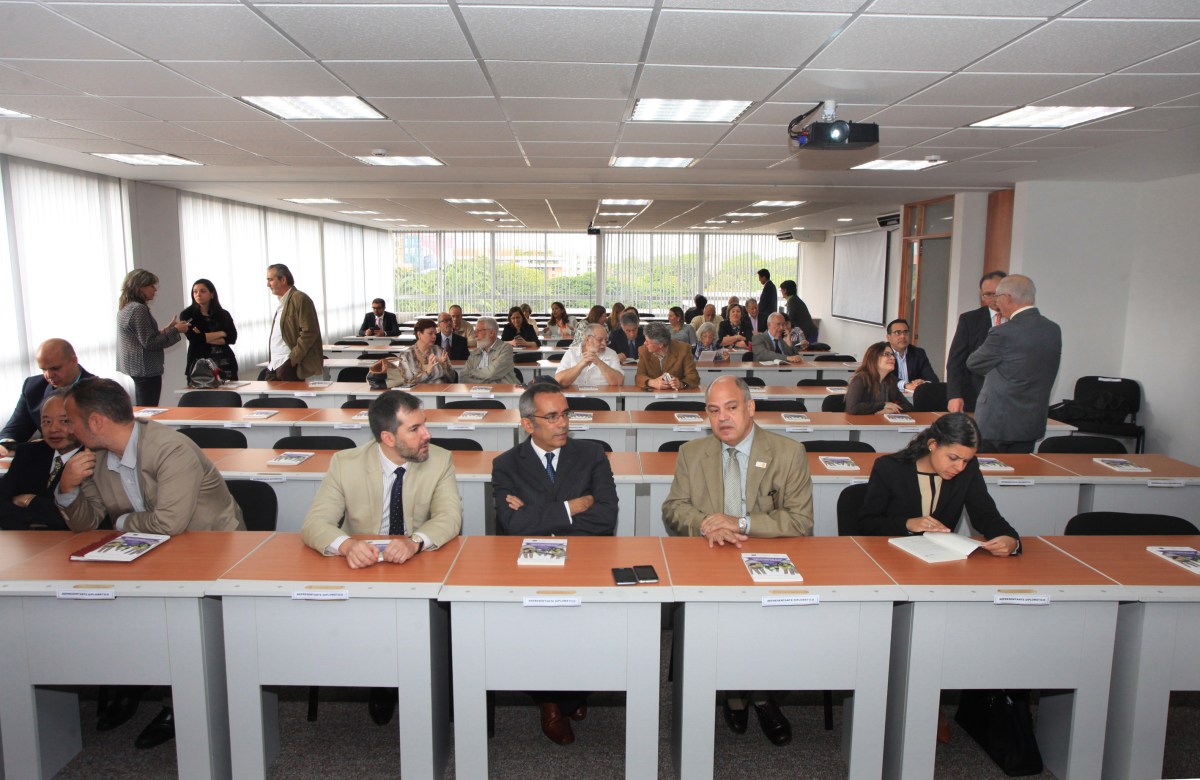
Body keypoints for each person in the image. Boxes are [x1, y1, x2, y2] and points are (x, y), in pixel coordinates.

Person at [56, 377, 245, 749]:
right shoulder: (95, 457)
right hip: (147, 553)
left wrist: (121, 522)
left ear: (95, 422)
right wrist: (67, 488)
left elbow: (170, 523)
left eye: (70, 420)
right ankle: (134, 678)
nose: (67, 429)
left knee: (178, 622)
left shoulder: (169, 448)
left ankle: (178, 701)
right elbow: (86, 523)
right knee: (110, 607)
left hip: (210, 551)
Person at [661, 375, 813, 746]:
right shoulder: (692, 452)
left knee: (761, 624)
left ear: (750, 407)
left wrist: (741, 523)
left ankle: (760, 696)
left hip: (767, 557)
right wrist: (706, 523)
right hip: (711, 556)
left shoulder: (788, 452)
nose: (722, 418)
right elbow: (673, 509)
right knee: (717, 619)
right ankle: (734, 696)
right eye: (714, 411)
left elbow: (800, 522)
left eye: (731, 408)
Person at [300, 389, 462, 726]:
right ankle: (383, 680)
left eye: (425, 424)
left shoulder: (440, 459)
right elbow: (315, 524)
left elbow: (449, 518)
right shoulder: (345, 464)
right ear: (388, 438)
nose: (427, 435)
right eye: (415, 429)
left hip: (419, 565)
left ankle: (430, 679)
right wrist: (346, 545)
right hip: (366, 570)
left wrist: (415, 542)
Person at [491, 383, 617, 744]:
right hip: (530, 561)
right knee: (536, 627)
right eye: (552, 417)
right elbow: (511, 525)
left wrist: (536, 515)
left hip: (585, 557)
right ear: (528, 424)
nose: (563, 423)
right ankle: (550, 701)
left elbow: (606, 517)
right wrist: (571, 507)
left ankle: (573, 694)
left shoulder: (592, 455)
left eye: (565, 414)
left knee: (591, 627)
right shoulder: (506, 464)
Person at [857, 412, 1020, 555]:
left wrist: (1010, 540)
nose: (960, 467)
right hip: (891, 558)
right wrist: (907, 524)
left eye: (966, 460)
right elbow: (868, 524)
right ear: (933, 445)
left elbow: (986, 515)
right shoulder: (889, 468)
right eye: (953, 458)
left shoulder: (968, 470)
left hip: (941, 561)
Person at [966, 274, 1061, 453]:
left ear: (1007, 298)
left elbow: (974, 363)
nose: (996, 303)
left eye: (997, 297)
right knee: (1020, 469)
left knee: (989, 469)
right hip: (1031, 421)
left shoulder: (1003, 332)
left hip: (997, 421)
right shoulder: (1053, 329)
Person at [0, 338, 93, 456]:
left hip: (87, 457)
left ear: (74, 360)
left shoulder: (98, 390)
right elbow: (15, 428)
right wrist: (5, 445)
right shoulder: (33, 387)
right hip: (44, 460)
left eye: (55, 368)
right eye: (44, 369)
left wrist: (43, 444)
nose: (49, 375)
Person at [0, 392, 77, 531]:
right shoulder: (29, 452)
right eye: (46, 421)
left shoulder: (94, 457)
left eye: (64, 421)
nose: (53, 429)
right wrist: (42, 511)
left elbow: (76, 517)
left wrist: (29, 500)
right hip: (24, 540)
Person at [117, 269, 187, 406]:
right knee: (148, 409)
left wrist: (168, 329)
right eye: (151, 286)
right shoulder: (138, 309)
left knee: (144, 408)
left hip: (137, 368)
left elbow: (142, 336)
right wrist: (176, 330)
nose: (155, 289)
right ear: (140, 287)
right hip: (146, 368)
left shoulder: (127, 307)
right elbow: (149, 343)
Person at [946, 271, 1007, 413]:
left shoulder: (1018, 320)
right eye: (988, 294)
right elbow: (956, 361)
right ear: (981, 295)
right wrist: (954, 395)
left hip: (1009, 397)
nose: (993, 298)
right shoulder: (970, 320)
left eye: (997, 293)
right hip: (976, 395)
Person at [265, 263, 324, 381]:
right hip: (274, 365)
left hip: (288, 364)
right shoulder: (282, 303)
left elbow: (309, 332)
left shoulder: (300, 298)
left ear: (283, 280)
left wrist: (292, 360)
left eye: (270, 280)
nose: (268, 284)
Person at [180, 278, 238, 381]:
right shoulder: (187, 314)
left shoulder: (223, 314)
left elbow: (232, 338)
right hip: (200, 366)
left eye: (202, 291)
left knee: (229, 390)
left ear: (212, 294)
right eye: (195, 292)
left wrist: (203, 336)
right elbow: (194, 338)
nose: (198, 294)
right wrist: (222, 333)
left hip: (225, 363)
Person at [371, 319, 456, 387]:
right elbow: (407, 381)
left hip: (440, 392)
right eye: (430, 333)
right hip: (415, 394)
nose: (434, 336)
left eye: (435, 333)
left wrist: (444, 365)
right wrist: (427, 372)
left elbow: (452, 378)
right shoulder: (406, 355)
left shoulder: (439, 351)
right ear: (419, 334)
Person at [845, 342, 915, 415]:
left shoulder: (891, 380)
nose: (893, 358)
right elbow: (852, 408)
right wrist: (884, 405)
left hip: (880, 421)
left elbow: (909, 406)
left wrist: (891, 410)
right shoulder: (860, 379)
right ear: (874, 358)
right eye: (887, 354)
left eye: (892, 355)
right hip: (859, 421)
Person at [635, 322, 700, 391]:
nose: (645, 343)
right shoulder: (643, 350)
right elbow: (639, 377)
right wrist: (652, 382)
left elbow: (694, 376)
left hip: (677, 394)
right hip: (652, 393)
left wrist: (681, 384)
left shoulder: (683, 349)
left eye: (647, 341)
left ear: (660, 345)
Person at [554, 323, 624, 387]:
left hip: (602, 396)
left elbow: (619, 382)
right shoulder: (571, 353)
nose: (604, 344)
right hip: (575, 395)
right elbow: (559, 380)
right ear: (587, 339)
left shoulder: (611, 354)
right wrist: (581, 365)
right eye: (600, 340)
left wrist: (599, 363)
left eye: (606, 340)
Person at [458, 317, 519, 385]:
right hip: (477, 391)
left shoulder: (505, 349)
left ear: (491, 333)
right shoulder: (475, 352)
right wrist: (486, 383)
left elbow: (492, 373)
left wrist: (471, 373)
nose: (475, 335)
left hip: (502, 391)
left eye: (478, 331)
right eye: (475, 331)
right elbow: (463, 377)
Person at [885, 319, 938, 392]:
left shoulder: (918, 353)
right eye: (898, 332)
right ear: (888, 337)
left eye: (906, 332)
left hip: (912, 396)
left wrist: (923, 383)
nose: (903, 336)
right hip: (889, 395)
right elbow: (883, 378)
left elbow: (932, 378)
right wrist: (905, 385)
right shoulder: (881, 353)